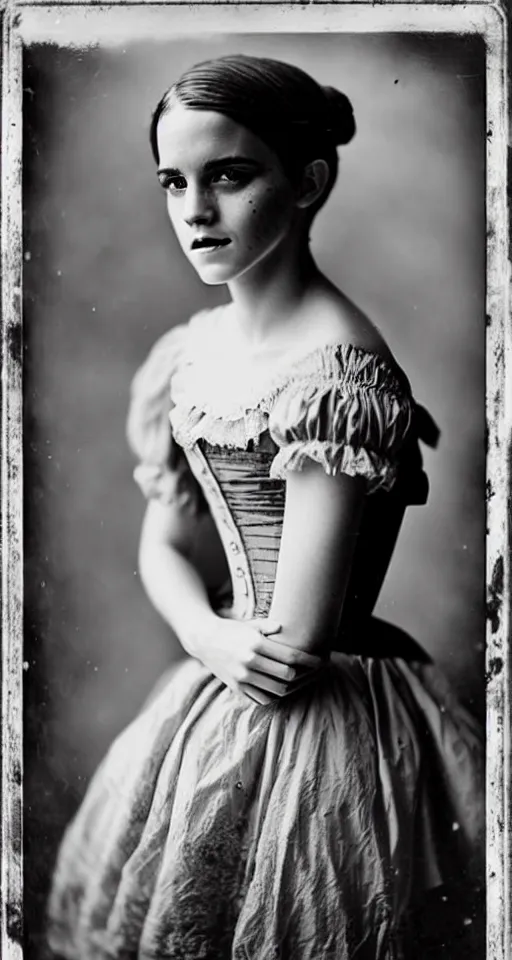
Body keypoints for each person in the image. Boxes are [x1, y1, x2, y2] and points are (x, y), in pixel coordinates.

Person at [47, 54, 484, 959]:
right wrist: (208, 637)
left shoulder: (334, 373)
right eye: (175, 182)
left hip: (318, 715)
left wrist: (223, 639)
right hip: (226, 667)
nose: (195, 211)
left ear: (309, 182)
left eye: (230, 176)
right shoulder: (195, 351)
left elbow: (294, 646)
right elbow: (165, 541)